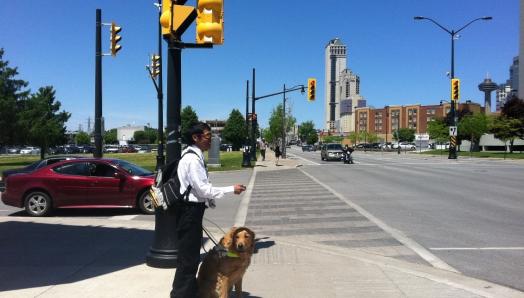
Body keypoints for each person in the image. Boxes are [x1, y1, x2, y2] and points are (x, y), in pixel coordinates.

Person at [171, 122, 246, 298]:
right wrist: (230, 189)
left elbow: (200, 190)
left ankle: (187, 293)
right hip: (189, 212)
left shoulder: (193, 156)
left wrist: (209, 202)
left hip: (192, 212)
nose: (210, 140)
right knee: (188, 261)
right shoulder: (192, 159)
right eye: (207, 136)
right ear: (195, 138)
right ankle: (181, 295)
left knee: (190, 259)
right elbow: (203, 190)